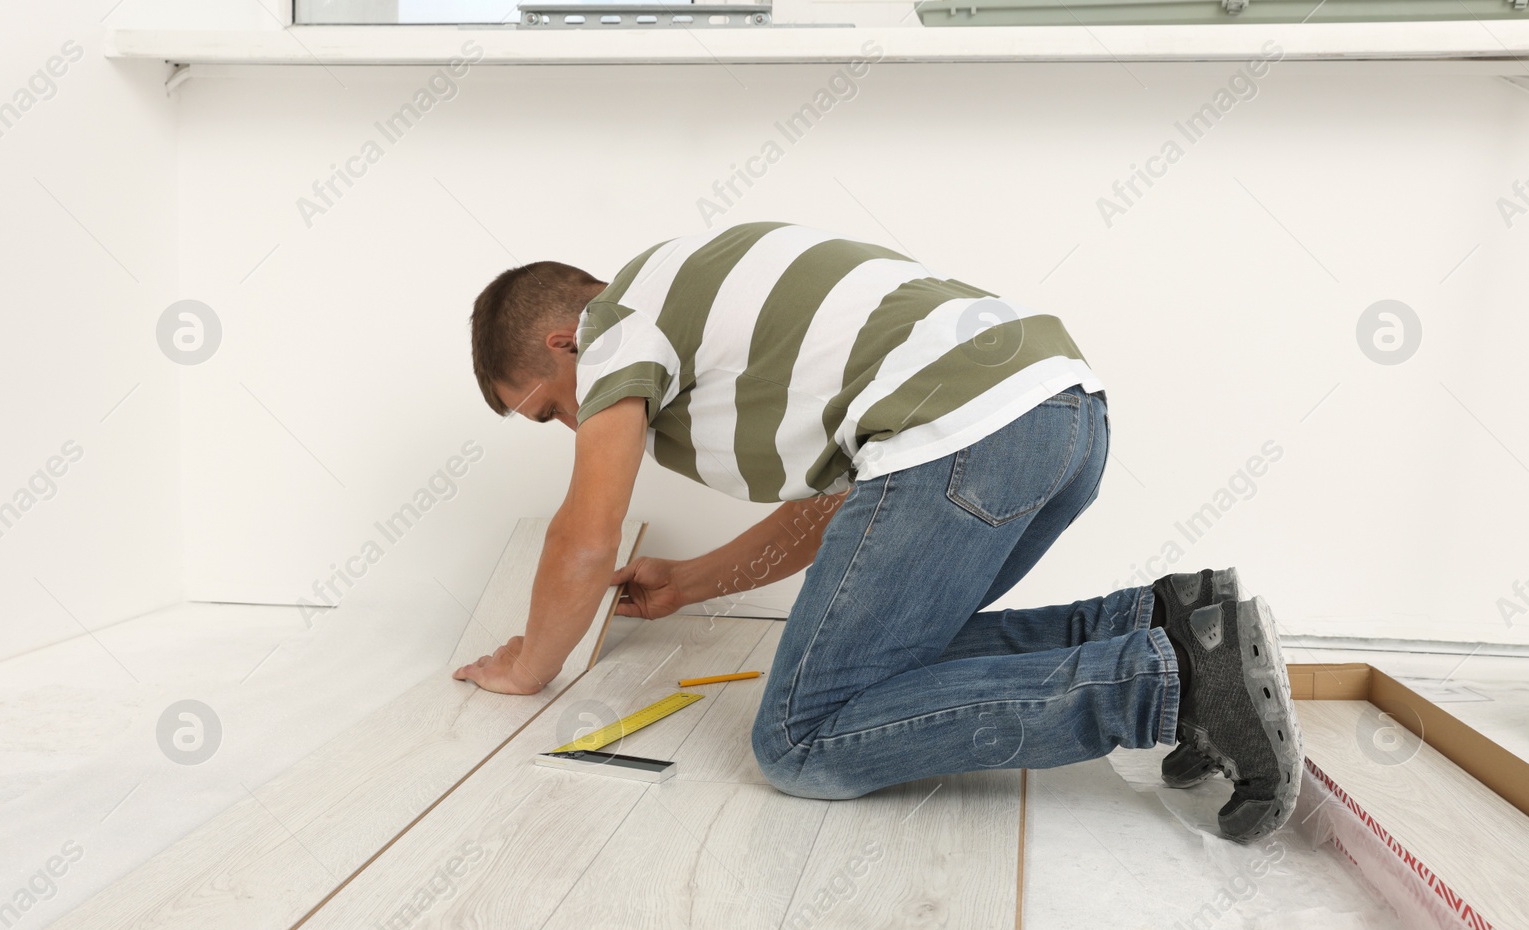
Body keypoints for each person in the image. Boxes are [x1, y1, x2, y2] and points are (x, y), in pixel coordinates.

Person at [452, 221, 1302, 843]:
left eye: (549, 406)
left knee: (799, 738)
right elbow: (857, 512)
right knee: (887, 663)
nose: (575, 424)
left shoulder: (613, 326)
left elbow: (585, 536)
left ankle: (1170, 683)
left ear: (566, 341)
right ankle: (1170, 624)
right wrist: (694, 581)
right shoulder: (695, 307)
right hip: (1058, 417)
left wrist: (529, 663)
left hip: (967, 436)